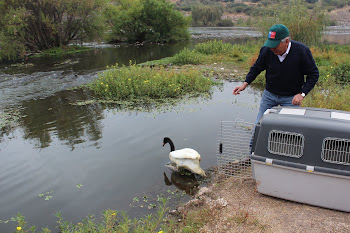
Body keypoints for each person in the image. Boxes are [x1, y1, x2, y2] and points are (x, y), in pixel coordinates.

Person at [233, 24, 319, 125]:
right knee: (260, 125)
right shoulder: (266, 50)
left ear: (286, 41)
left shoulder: (302, 51)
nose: (271, 49)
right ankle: (255, 141)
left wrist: (302, 94)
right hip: (269, 95)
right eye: (270, 45)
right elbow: (256, 68)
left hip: (291, 98)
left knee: (290, 128)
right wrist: (245, 84)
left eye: (275, 45)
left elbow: (313, 74)